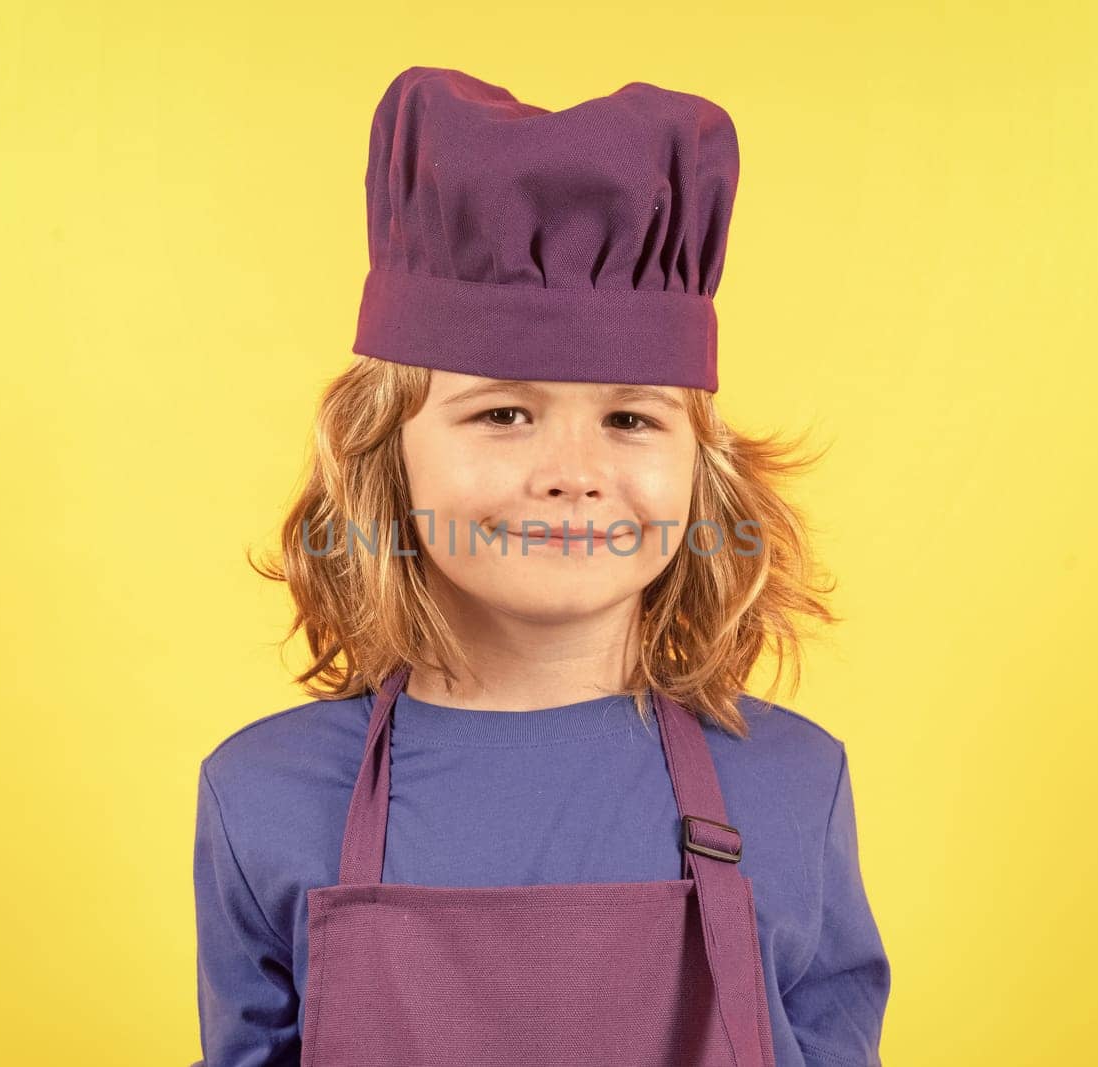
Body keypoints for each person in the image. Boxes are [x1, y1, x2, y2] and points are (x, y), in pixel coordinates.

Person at [193, 65, 890, 1066]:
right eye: (503, 413)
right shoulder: (265, 792)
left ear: (703, 468)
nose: (572, 474)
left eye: (630, 418)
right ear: (382, 449)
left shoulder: (791, 782)